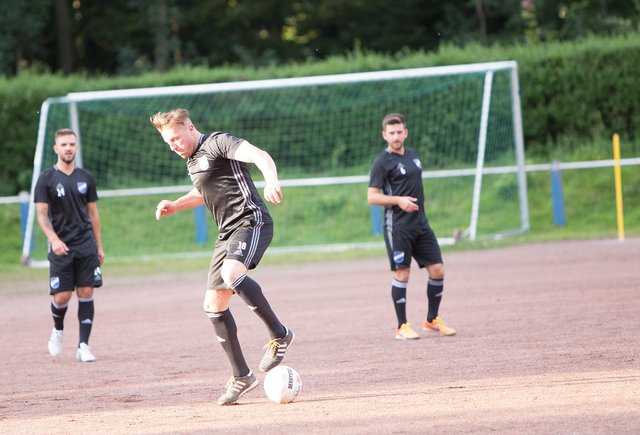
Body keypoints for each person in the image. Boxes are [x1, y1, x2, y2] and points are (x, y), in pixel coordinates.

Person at [150, 108, 294, 406]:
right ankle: (242, 376)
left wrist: (271, 180)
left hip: (251, 221)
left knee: (232, 274)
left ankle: (279, 334)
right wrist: (175, 204)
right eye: (168, 143)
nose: (173, 146)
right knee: (213, 305)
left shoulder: (218, 142)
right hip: (226, 234)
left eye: (176, 138)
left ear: (191, 128)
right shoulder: (192, 161)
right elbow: (202, 192)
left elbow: (259, 155)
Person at [367, 113, 456, 340]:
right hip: (398, 227)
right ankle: (402, 326)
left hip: (421, 224)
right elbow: (372, 196)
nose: (396, 136)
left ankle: (431, 320)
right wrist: (398, 200)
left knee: (437, 270)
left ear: (405, 132)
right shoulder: (381, 162)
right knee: (402, 273)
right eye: (392, 133)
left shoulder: (414, 155)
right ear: (384, 135)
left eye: (399, 132)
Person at [34, 128, 105, 362]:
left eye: (72, 144)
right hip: (61, 246)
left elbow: (93, 214)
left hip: (85, 244)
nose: (68, 148)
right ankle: (58, 329)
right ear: (56, 148)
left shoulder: (86, 178)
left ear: (76, 147)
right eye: (64, 144)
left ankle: (83, 346)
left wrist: (99, 246)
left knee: (86, 292)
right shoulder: (46, 179)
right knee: (62, 297)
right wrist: (54, 239)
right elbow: (41, 214)